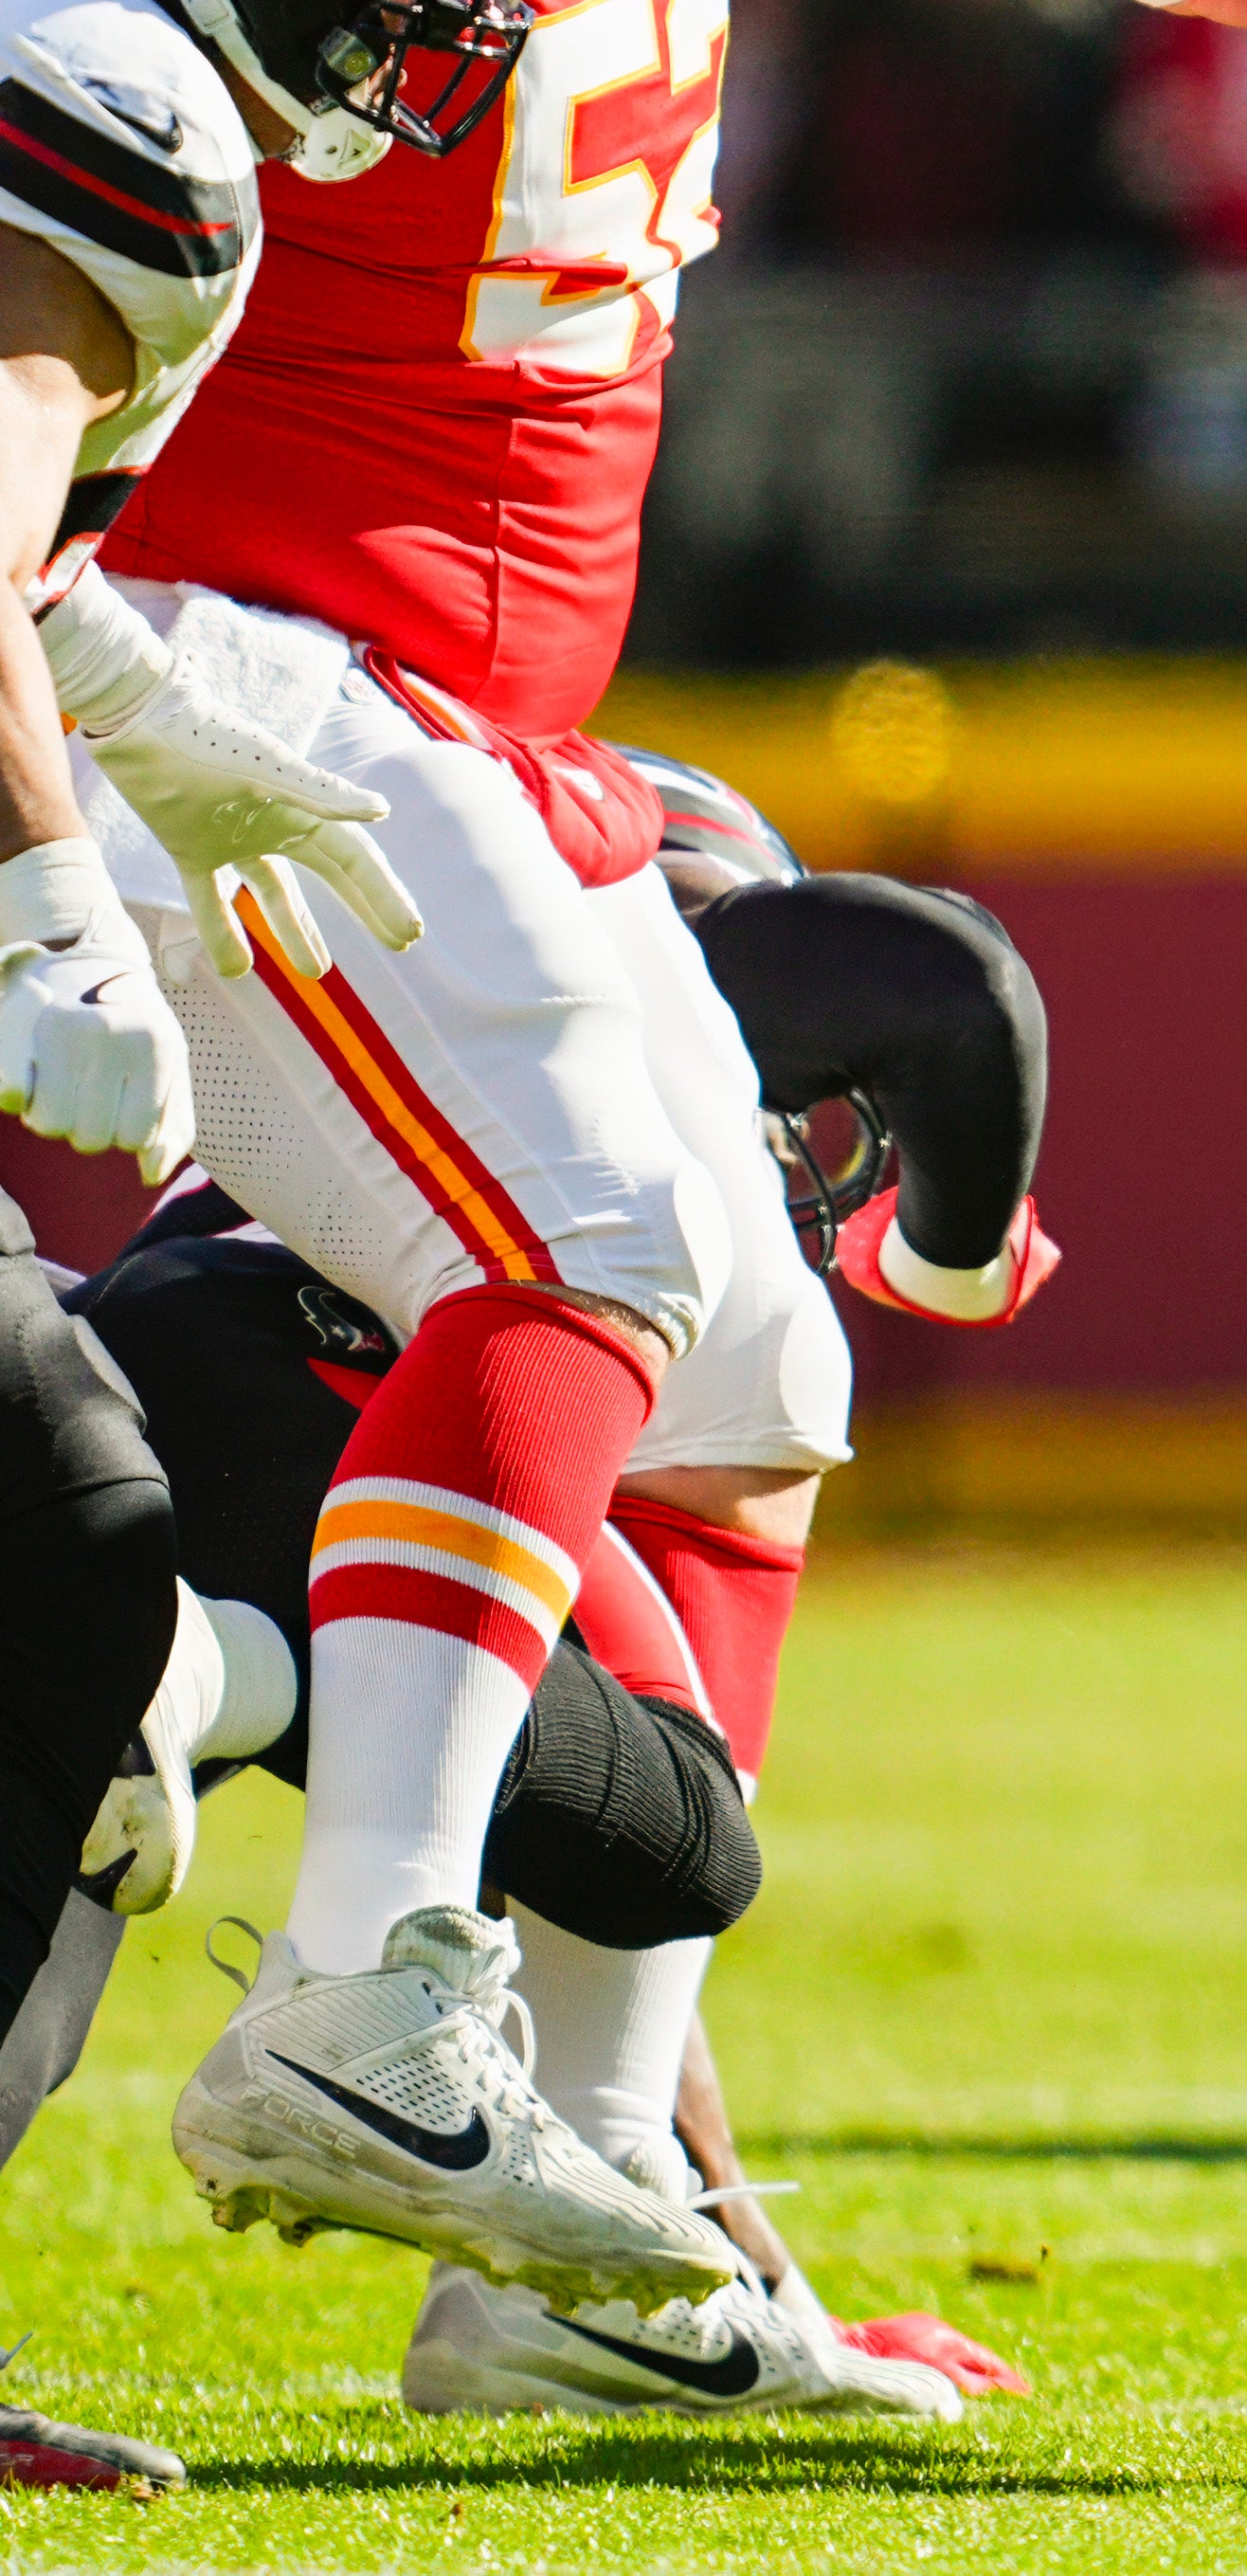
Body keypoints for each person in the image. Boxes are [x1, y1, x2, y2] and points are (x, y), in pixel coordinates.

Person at [116, 0, 1247, 2309]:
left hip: (462, 728)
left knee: (762, 1374)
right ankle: (364, 1984)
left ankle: (580, 2228)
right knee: (608, 1248)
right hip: (240, 691)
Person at [7, 768, 1056, 2439]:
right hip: (327, 1399)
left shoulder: (402, 1030)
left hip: (128, 1366)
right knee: (686, 1823)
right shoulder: (659, 1068)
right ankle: (214, 1672)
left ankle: (197, 1672)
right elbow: (943, 979)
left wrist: (719, 2269)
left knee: (43, 1900)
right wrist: (961, 1252)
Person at [0, 0, 590, 2362]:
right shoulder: (106, 87)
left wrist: (125, 684)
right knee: (67, 1538)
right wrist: (54, 893)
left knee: (65, 1548)